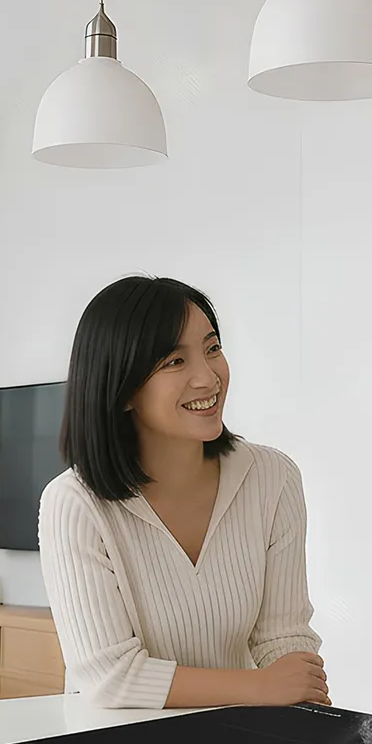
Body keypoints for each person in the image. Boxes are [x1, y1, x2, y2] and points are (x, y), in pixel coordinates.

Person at [39, 275, 330, 709]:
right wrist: (260, 688)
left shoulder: (274, 478)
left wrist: (306, 715)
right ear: (122, 390)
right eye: (174, 362)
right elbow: (111, 678)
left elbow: (282, 638)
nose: (208, 377)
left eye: (213, 349)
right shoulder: (74, 503)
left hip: (236, 739)